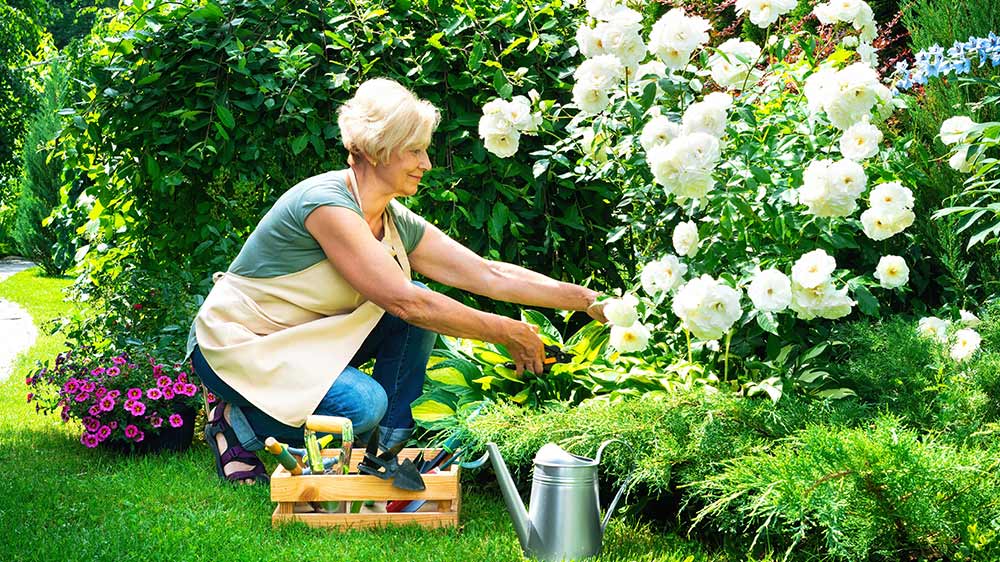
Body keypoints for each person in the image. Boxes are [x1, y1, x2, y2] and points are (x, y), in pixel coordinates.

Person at [187, 78, 607, 484]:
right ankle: (236, 421)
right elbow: (406, 303)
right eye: (415, 151)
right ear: (377, 149)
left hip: (306, 344)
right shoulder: (325, 205)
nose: (426, 164)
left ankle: (382, 453)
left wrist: (587, 300)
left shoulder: (390, 217)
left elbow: (486, 272)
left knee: (418, 308)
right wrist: (506, 331)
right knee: (362, 404)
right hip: (241, 345)